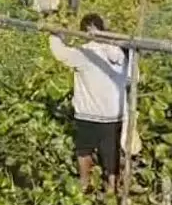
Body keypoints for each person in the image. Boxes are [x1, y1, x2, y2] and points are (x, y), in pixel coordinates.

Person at [49, 13, 129, 193]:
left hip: (89, 114)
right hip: (114, 114)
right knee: (111, 153)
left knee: (84, 150)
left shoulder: (85, 53)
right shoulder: (119, 52)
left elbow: (60, 53)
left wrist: (55, 35)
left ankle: (84, 184)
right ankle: (111, 189)